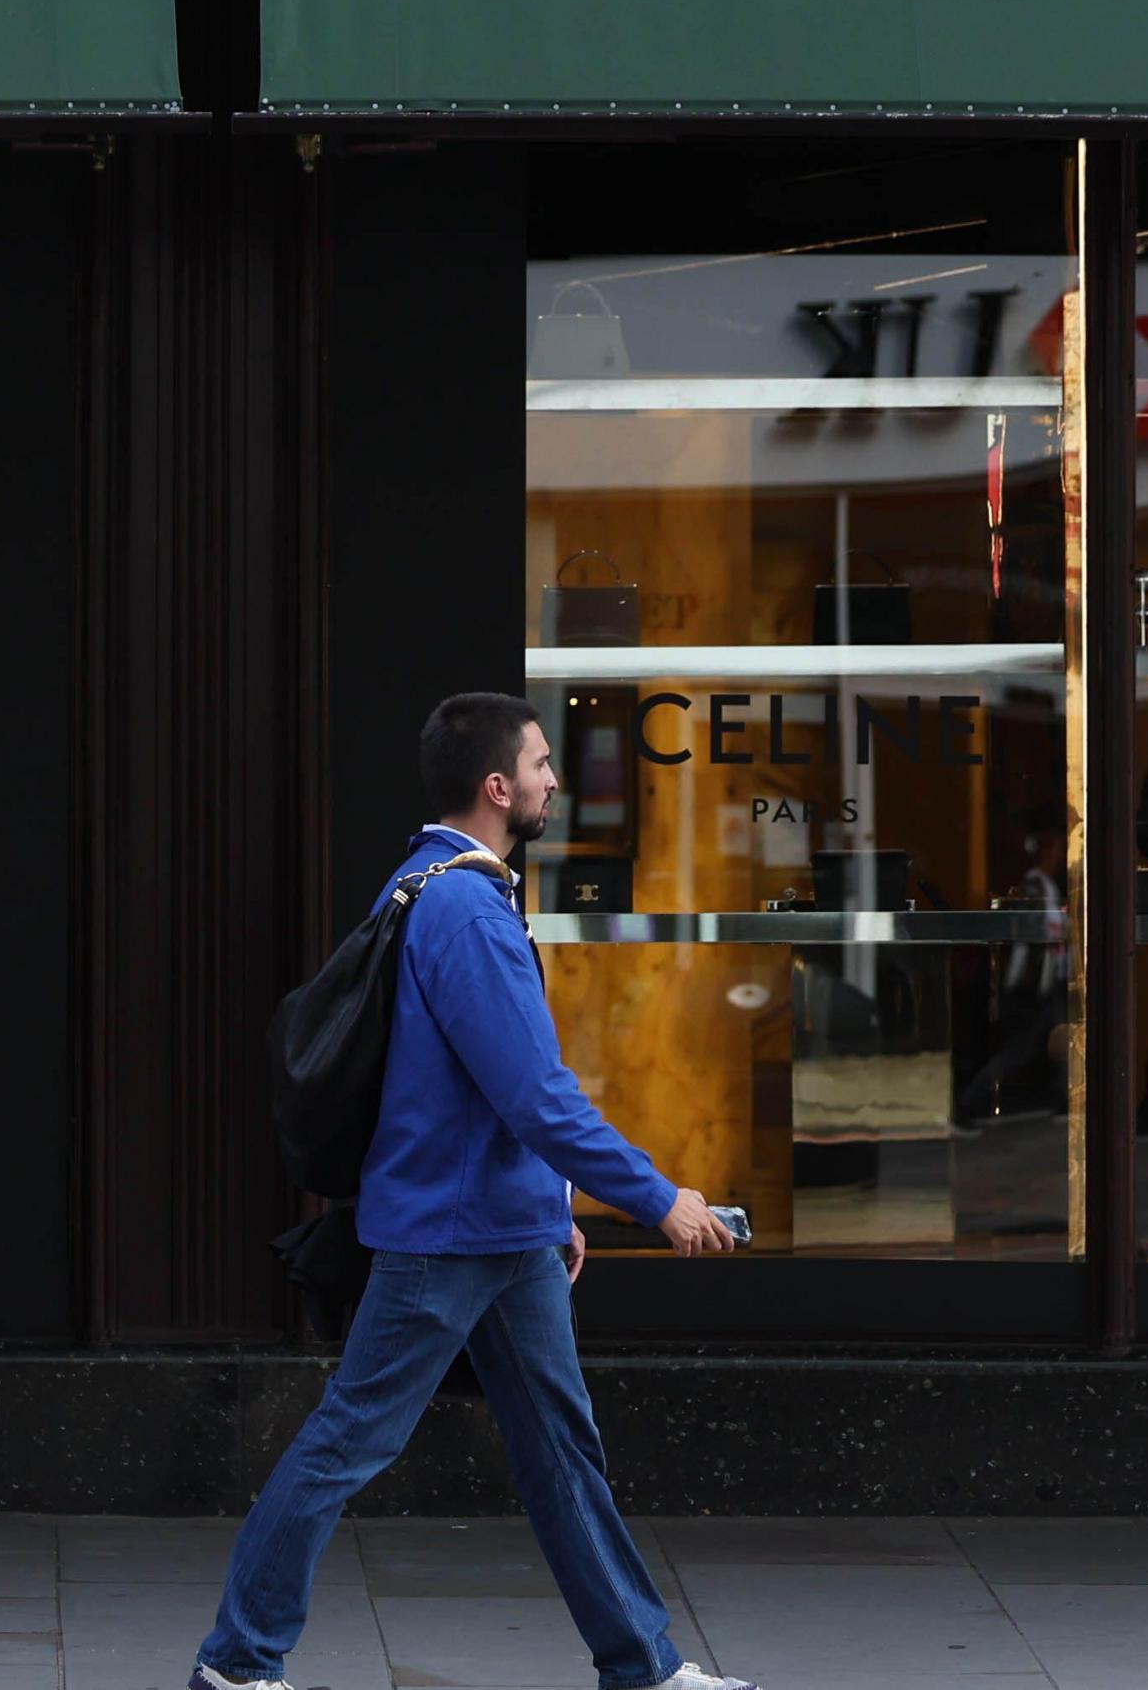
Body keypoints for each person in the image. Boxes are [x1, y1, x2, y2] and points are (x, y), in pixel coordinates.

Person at [192, 694, 749, 1690]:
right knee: (347, 1441)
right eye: (539, 763)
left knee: (561, 1452)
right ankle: (238, 1658)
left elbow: (476, 1093)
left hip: (497, 1226)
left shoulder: (424, 886)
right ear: (498, 787)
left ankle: (644, 1664)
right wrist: (657, 1197)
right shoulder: (464, 910)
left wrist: (551, 1211)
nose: (550, 779)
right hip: (448, 1237)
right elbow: (533, 1093)